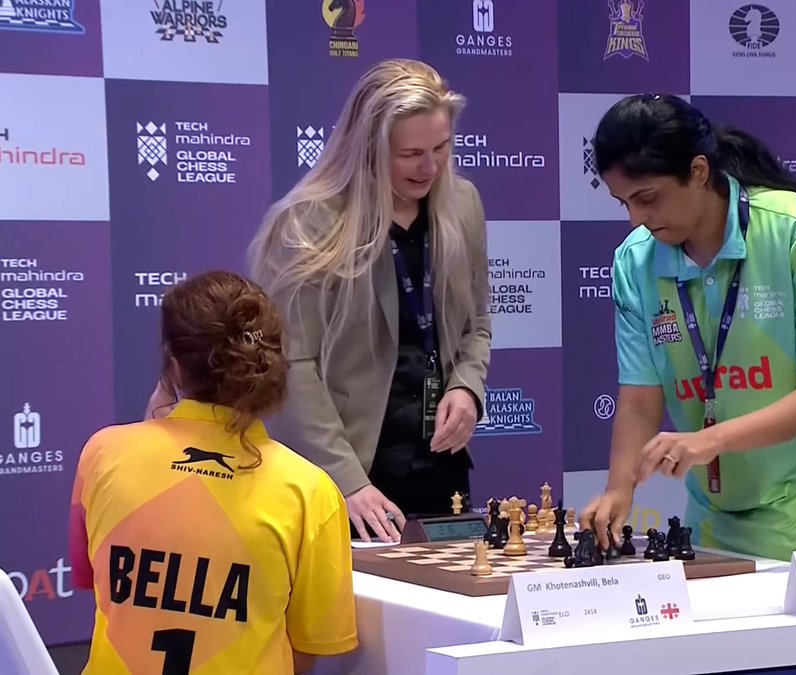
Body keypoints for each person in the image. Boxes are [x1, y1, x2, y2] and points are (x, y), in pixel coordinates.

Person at [580, 94, 796, 561]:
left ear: (698, 171)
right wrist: (619, 489)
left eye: (647, 198)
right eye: (623, 202)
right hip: (718, 513)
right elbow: (640, 397)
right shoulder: (634, 261)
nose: (636, 218)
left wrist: (708, 440)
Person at [246, 59, 492, 544]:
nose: (430, 167)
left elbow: (476, 323)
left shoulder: (463, 205)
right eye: (411, 153)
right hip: (344, 480)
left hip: (441, 472)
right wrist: (347, 481)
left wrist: (467, 387)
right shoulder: (307, 224)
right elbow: (291, 363)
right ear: (368, 148)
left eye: (441, 148)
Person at [70, 270, 358, 674]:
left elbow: (91, 579)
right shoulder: (310, 490)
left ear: (174, 367)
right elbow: (309, 649)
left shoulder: (102, 454)